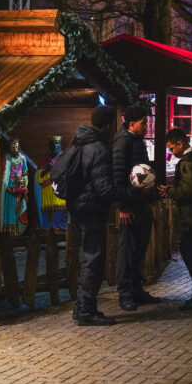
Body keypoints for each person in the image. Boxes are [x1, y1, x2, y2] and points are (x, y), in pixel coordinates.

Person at [68, 105, 126, 327]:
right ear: (109, 125)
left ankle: (80, 307)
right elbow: (103, 189)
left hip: (77, 208)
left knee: (88, 258)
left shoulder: (80, 142)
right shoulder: (99, 149)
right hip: (91, 210)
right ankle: (86, 310)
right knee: (94, 259)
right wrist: (129, 194)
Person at [158, 127, 192, 310]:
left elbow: (189, 190)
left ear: (180, 144)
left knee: (191, 253)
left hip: (191, 216)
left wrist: (171, 190)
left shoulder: (187, 163)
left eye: (171, 148)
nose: (171, 153)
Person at [113, 105, 160, 311]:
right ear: (131, 123)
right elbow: (118, 174)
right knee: (127, 249)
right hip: (130, 204)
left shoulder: (135, 141)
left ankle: (136, 288)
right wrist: (123, 205)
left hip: (141, 202)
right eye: (143, 122)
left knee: (139, 246)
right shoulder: (123, 142)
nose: (146, 126)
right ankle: (125, 293)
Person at [0, 138, 29, 235]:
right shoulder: (6, 158)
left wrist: (24, 183)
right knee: (9, 209)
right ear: (9, 148)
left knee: (18, 209)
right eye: (13, 147)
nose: (15, 150)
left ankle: (17, 230)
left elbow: (25, 173)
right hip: (9, 187)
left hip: (19, 186)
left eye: (16, 147)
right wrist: (8, 188)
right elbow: (3, 176)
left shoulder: (22, 158)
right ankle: (7, 231)